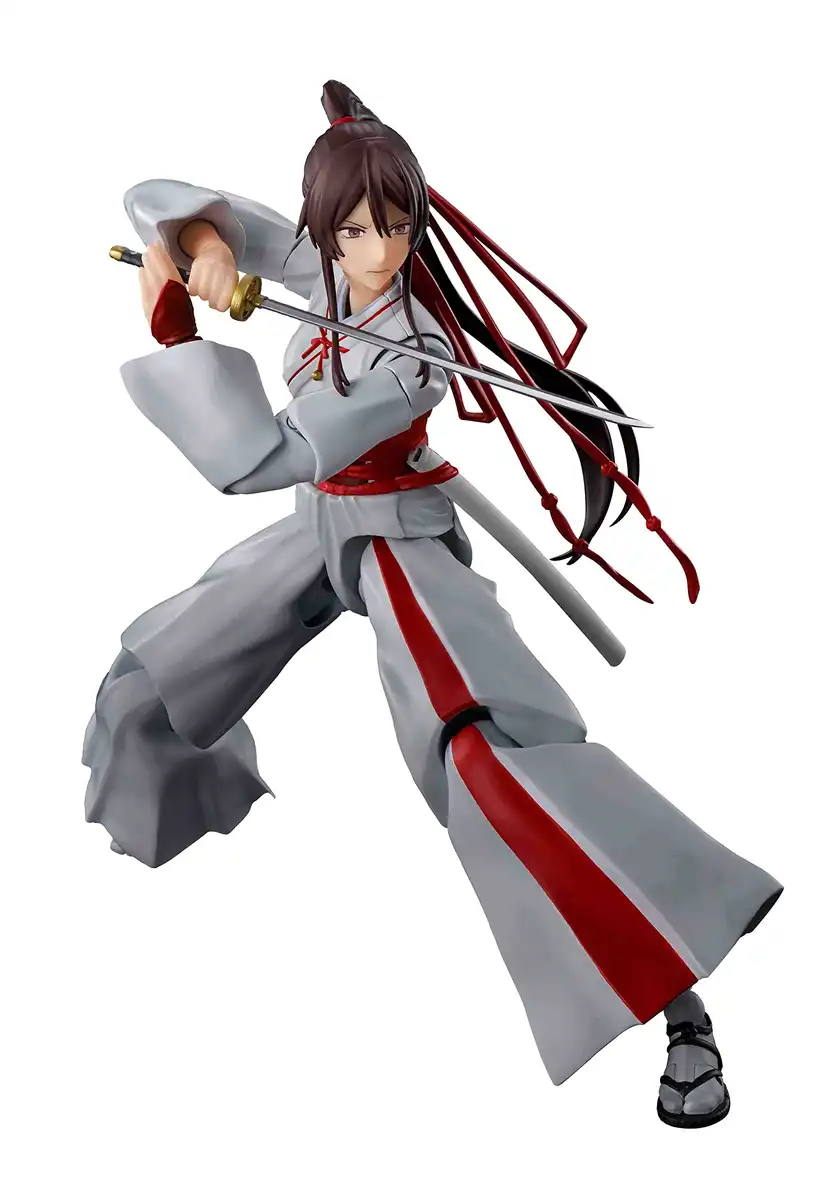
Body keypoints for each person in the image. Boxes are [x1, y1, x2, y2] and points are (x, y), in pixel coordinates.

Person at [82, 80, 781, 1127]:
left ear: (417, 221)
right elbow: (164, 202)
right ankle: (188, 814)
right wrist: (205, 244)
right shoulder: (321, 264)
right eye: (354, 229)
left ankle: (678, 1005)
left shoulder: (417, 352)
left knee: (487, 762)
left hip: (394, 537)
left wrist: (180, 337)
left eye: (395, 226)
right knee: (155, 673)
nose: (375, 251)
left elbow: (264, 458)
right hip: (319, 529)